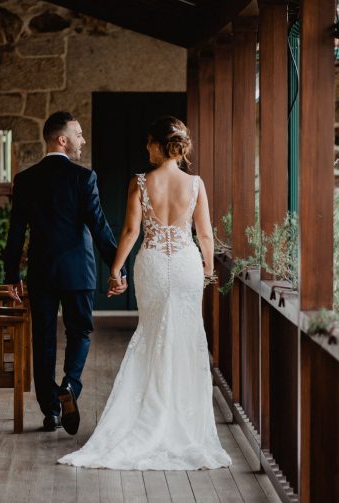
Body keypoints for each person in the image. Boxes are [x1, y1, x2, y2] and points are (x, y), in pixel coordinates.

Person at [58, 116, 231, 470]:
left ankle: (149, 415)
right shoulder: (195, 184)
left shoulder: (140, 182)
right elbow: (205, 235)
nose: (146, 148)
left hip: (152, 263)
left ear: (159, 145)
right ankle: (181, 421)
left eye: (149, 142)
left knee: (152, 334)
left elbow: (130, 232)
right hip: (185, 265)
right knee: (185, 337)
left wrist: (115, 270)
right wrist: (207, 270)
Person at [3, 111, 127, 435]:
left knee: (43, 340)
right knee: (80, 332)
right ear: (62, 139)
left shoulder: (26, 180)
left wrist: (11, 275)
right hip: (78, 272)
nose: (82, 140)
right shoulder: (84, 178)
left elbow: (16, 232)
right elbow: (100, 227)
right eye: (78, 134)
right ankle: (70, 385)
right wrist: (117, 268)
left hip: (41, 273)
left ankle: (51, 412)